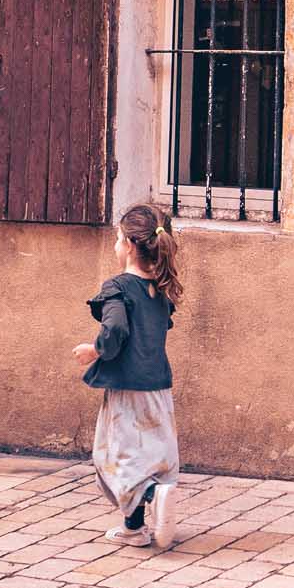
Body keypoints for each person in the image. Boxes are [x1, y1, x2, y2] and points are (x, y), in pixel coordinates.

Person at [72, 204, 184, 550]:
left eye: (119, 238)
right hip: (158, 387)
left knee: (115, 456)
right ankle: (134, 525)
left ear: (131, 245)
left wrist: (95, 350)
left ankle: (150, 494)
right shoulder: (160, 289)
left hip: (127, 388)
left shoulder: (118, 287)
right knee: (149, 454)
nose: (116, 245)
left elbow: (116, 328)